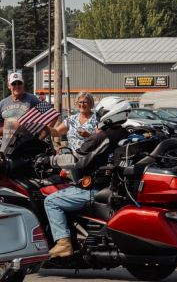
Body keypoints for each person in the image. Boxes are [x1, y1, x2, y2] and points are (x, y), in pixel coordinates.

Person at [41, 96, 131, 258]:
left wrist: (49, 161)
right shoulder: (124, 132)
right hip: (114, 186)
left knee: (51, 201)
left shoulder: (103, 136)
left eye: (101, 112)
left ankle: (63, 243)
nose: (98, 115)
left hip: (94, 187)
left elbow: (76, 159)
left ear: (110, 114)